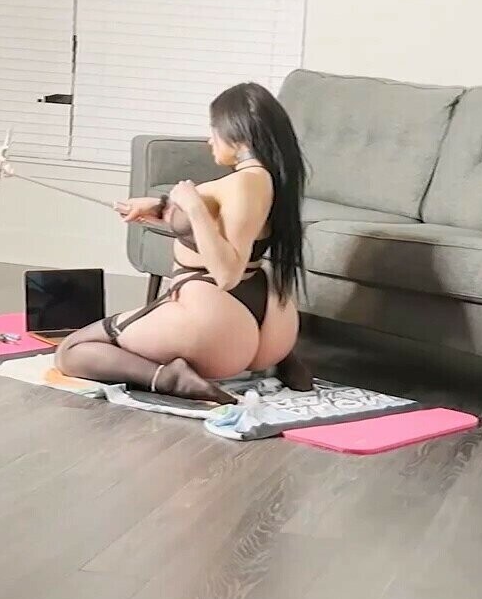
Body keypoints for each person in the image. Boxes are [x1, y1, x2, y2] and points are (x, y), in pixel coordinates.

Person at [55, 82, 312, 403]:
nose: (210, 140)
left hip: (218, 321)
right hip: (272, 326)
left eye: (214, 129)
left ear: (238, 134)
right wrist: (162, 207)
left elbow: (227, 274)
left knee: (73, 350)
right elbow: (228, 222)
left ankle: (168, 377)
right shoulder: (273, 179)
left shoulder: (245, 183)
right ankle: (279, 364)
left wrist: (192, 208)